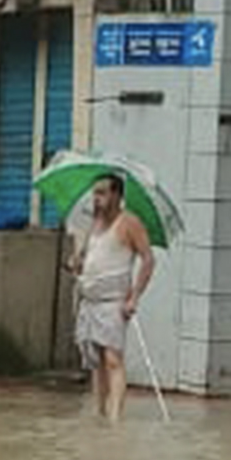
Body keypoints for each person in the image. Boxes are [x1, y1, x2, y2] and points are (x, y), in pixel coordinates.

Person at [74, 177, 158, 420]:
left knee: (112, 359)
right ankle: (100, 413)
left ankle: (115, 418)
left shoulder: (129, 222)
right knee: (96, 362)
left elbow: (148, 259)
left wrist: (134, 298)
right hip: (89, 300)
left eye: (102, 193)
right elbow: (83, 258)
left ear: (117, 195)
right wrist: (77, 262)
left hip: (113, 301)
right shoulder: (94, 223)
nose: (96, 199)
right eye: (95, 193)